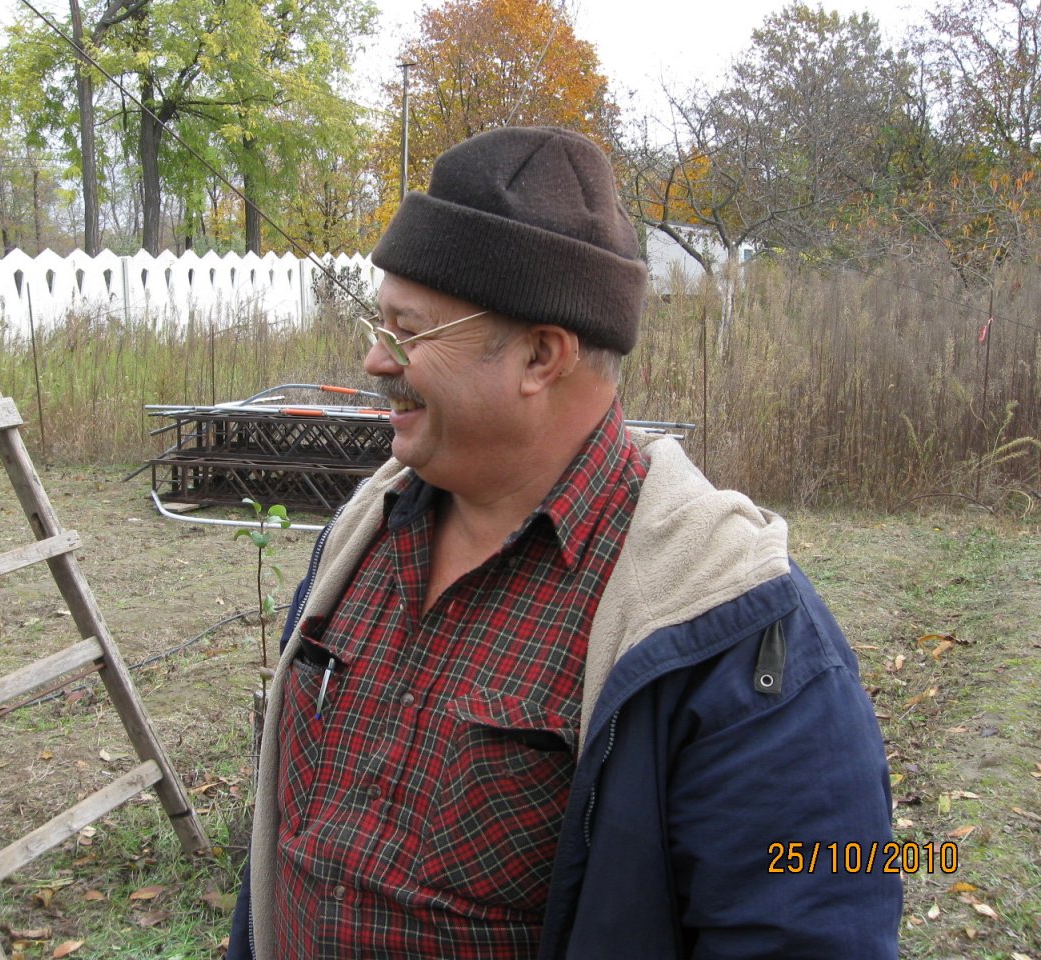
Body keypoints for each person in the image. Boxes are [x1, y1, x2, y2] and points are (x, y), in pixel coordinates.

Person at [227, 126, 901, 959]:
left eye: (407, 331)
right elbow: (287, 855)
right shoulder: (360, 534)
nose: (373, 359)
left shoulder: (740, 630)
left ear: (541, 356)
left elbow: (808, 933)